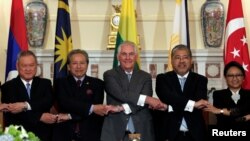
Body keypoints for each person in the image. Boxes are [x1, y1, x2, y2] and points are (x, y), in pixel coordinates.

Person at [101, 41, 166, 141]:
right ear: (118, 57)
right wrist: (147, 99)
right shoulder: (109, 75)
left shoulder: (145, 77)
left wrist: (121, 108)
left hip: (139, 130)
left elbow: (143, 103)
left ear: (136, 57)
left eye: (131, 54)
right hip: (115, 130)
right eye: (124, 54)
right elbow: (122, 94)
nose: (128, 58)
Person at [155, 44, 209, 141]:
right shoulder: (162, 78)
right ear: (171, 61)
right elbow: (167, 96)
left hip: (195, 135)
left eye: (185, 57)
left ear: (191, 60)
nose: (181, 61)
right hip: (169, 134)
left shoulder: (201, 80)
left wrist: (170, 107)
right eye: (177, 58)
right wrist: (193, 104)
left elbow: (200, 103)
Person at [1, 50, 56, 141]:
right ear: (17, 66)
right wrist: (39, 117)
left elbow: (47, 102)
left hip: (43, 133)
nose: (28, 69)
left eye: (31, 65)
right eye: (24, 66)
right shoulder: (8, 86)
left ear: (36, 66)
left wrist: (25, 105)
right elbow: (14, 112)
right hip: (18, 133)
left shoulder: (45, 83)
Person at [52, 49, 106, 141]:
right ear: (68, 66)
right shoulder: (60, 83)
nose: (78, 66)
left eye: (82, 63)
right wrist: (90, 107)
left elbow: (96, 109)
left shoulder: (98, 84)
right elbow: (65, 103)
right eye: (74, 63)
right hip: (65, 133)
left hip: (91, 133)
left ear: (87, 65)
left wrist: (69, 116)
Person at [204, 61, 250, 138]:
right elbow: (223, 119)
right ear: (225, 78)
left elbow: (238, 113)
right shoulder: (218, 94)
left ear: (243, 78)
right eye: (230, 75)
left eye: (238, 75)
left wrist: (221, 111)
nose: (234, 78)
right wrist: (246, 117)